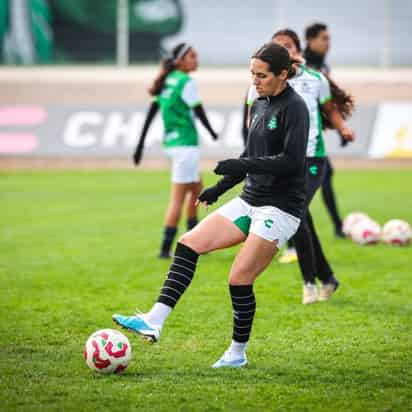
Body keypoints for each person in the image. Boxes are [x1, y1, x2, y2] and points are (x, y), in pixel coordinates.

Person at [113, 43, 309, 368]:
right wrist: (218, 188)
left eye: (262, 75)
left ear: (283, 74)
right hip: (250, 200)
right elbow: (248, 158)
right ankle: (154, 320)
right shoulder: (258, 103)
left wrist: (238, 164)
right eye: (252, 74)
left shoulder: (295, 108)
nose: (255, 81)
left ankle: (237, 354)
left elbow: (291, 161)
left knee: (238, 279)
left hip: (280, 208)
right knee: (189, 243)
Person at [246, 29, 354, 304]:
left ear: (297, 50)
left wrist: (343, 128)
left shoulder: (316, 79)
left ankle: (309, 283)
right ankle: (327, 277)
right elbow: (253, 122)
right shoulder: (260, 85)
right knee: (301, 217)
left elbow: (330, 110)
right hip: (281, 162)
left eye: (288, 45)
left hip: (312, 159)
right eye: (278, 46)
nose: (285, 49)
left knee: (297, 213)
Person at [133, 43, 218, 259]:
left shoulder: (167, 80)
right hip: (185, 146)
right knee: (178, 199)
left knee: (197, 190)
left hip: (172, 145)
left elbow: (151, 112)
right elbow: (198, 111)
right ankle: (165, 250)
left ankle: (194, 242)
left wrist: (140, 145)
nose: (196, 59)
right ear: (180, 60)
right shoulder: (186, 81)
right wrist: (212, 132)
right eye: (192, 56)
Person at [304, 22, 347, 238]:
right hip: (299, 138)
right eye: (324, 38)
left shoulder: (323, 67)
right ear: (310, 41)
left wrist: (340, 129)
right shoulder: (303, 66)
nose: (328, 43)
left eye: (329, 38)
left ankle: (337, 226)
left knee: (326, 174)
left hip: (314, 137)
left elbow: (326, 104)